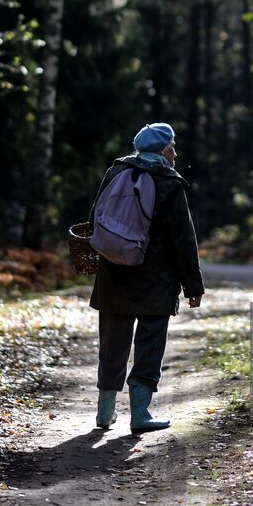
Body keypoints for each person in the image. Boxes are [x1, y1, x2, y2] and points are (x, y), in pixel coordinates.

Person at [89, 123, 205, 432]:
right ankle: (140, 414)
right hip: (157, 279)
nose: (176, 152)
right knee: (150, 344)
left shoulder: (116, 172)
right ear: (165, 150)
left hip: (114, 273)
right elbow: (183, 239)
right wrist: (193, 286)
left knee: (112, 344)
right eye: (173, 147)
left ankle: (105, 412)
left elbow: (94, 220)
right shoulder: (169, 182)